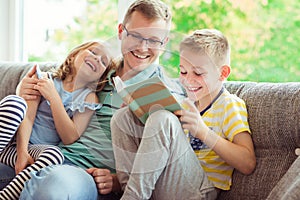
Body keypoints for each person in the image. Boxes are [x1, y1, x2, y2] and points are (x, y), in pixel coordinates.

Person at [0, 0, 185, 199]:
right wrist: (23, 91)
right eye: (136, 36)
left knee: (54, 187)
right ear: (121, 31)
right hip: (46, 156)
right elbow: (55, 82)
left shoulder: (166, 93)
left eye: (154, 40)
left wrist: (117, 180)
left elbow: (162, 163)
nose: (143, 47)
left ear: (164, 43)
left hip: (83, 173)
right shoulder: (97, 71)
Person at [110, 29, 256, 199]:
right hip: (169, 180)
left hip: (200, 190)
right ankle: (131, 192)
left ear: (222, 73)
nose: (188, 80)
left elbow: (248, 163)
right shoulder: (186, 104)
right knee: (123, 117)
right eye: (183, 71)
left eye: (198, 73)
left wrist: (202, 131)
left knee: (163, 119)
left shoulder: (229, 104)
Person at [0, 40, 113, 200]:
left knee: (54, 155)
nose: (97, 59)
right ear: (74, 54)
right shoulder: (46, 78)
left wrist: (54, 97)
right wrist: (22, 151)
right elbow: (28, 115)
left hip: (36, 152)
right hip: (13, 142)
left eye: (103, 62)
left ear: (101, 76)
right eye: (94, 52)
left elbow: (70, 137)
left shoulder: (89, 98)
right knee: (15, 103)